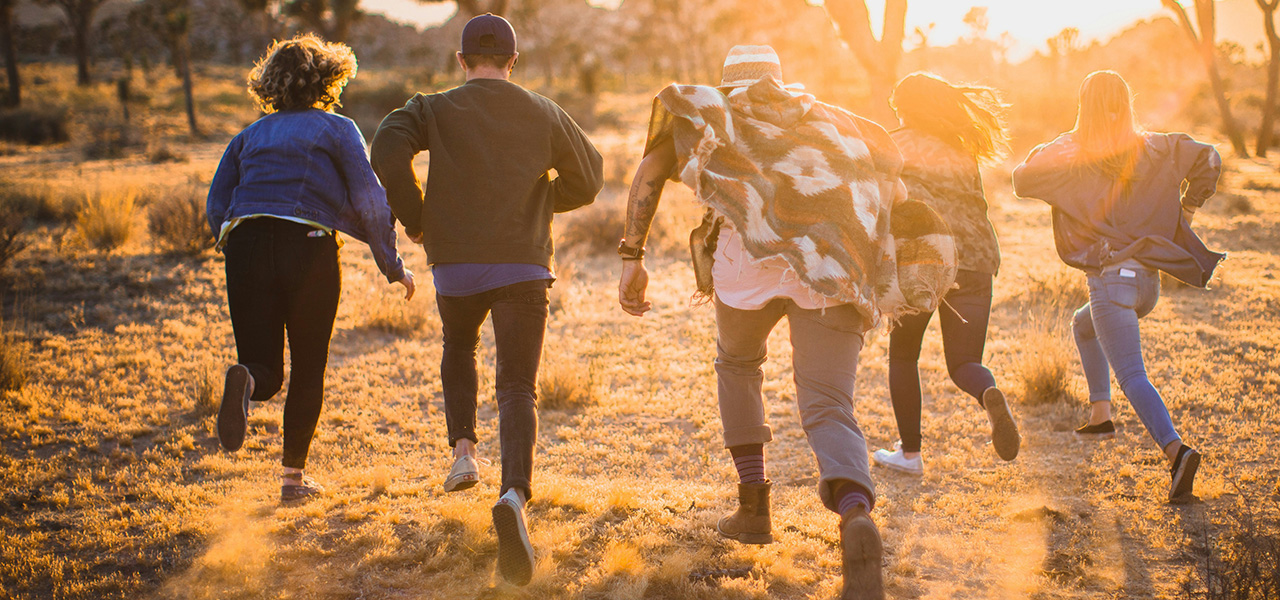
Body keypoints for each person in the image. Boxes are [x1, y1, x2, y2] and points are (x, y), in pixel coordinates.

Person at [619, 45, 916, 600]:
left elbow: (650, 169)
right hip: (828, 268)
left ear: (727, 84)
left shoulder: (714, 112)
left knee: (737, 365)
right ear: (781, 81)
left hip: (743, 269)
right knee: (828, 401)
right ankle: (855, 514)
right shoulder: (833, 120)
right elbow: (893, 182)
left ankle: (753, 506)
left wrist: (631, 255)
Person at [369, 13, 603, 586]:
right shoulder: (544, 110)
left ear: (462, 60)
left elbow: (384, 149)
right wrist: (543, 198)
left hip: (456, 265)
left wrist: (418, 216)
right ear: (513, 62)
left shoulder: (432, 107)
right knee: (518, 385)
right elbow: (591, 176)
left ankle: (464, 455)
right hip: (524, 261)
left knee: (459, 346)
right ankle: (515, 497)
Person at [206, 34, 415, 502]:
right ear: (328, 78)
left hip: (246, 241)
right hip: (308, 244)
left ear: (270, 83)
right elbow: (370, 200)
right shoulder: (337, 129)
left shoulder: (249, 135)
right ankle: (291, 481)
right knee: (307, 366)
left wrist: (231, 242)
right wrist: (392, 265)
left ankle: (248, 379)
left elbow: (217, 200)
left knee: (265, 368)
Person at [1013, 70, 1223, 502]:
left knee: (1132, 373)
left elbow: (1022, 177)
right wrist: (1189, 208)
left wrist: (1063, 138)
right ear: (1126, 103)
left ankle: (1176, 451)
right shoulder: (1155, 144)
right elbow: (1211, 158)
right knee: (1082, 324)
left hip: (1111, 281)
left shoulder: (1074, 150)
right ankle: (1101, 413)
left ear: (1083, 107)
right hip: (1147, 283)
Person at [871, 73, 1020, 476]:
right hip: (977, 260)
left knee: (904, 355)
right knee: (964, 362)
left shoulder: (894, 143)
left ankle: (910, 454)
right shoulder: (961, 149)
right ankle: (987, 391)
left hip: (925, 261)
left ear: (906, 107)